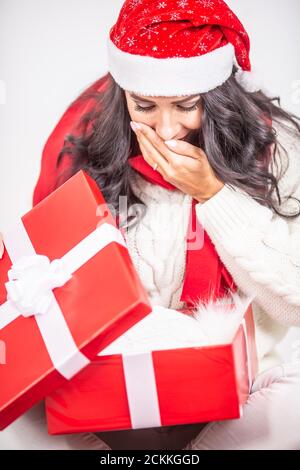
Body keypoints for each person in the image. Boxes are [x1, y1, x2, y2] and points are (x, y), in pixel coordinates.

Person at [1, 0, 300, 450]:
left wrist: (213, 195)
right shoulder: (82, 145)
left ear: (217, 96)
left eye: (185, 106)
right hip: (111, 393)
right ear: (124, 97)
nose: (165, 130)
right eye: (144, 106)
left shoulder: (275, 149)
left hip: (243, 390)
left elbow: (292, 302)